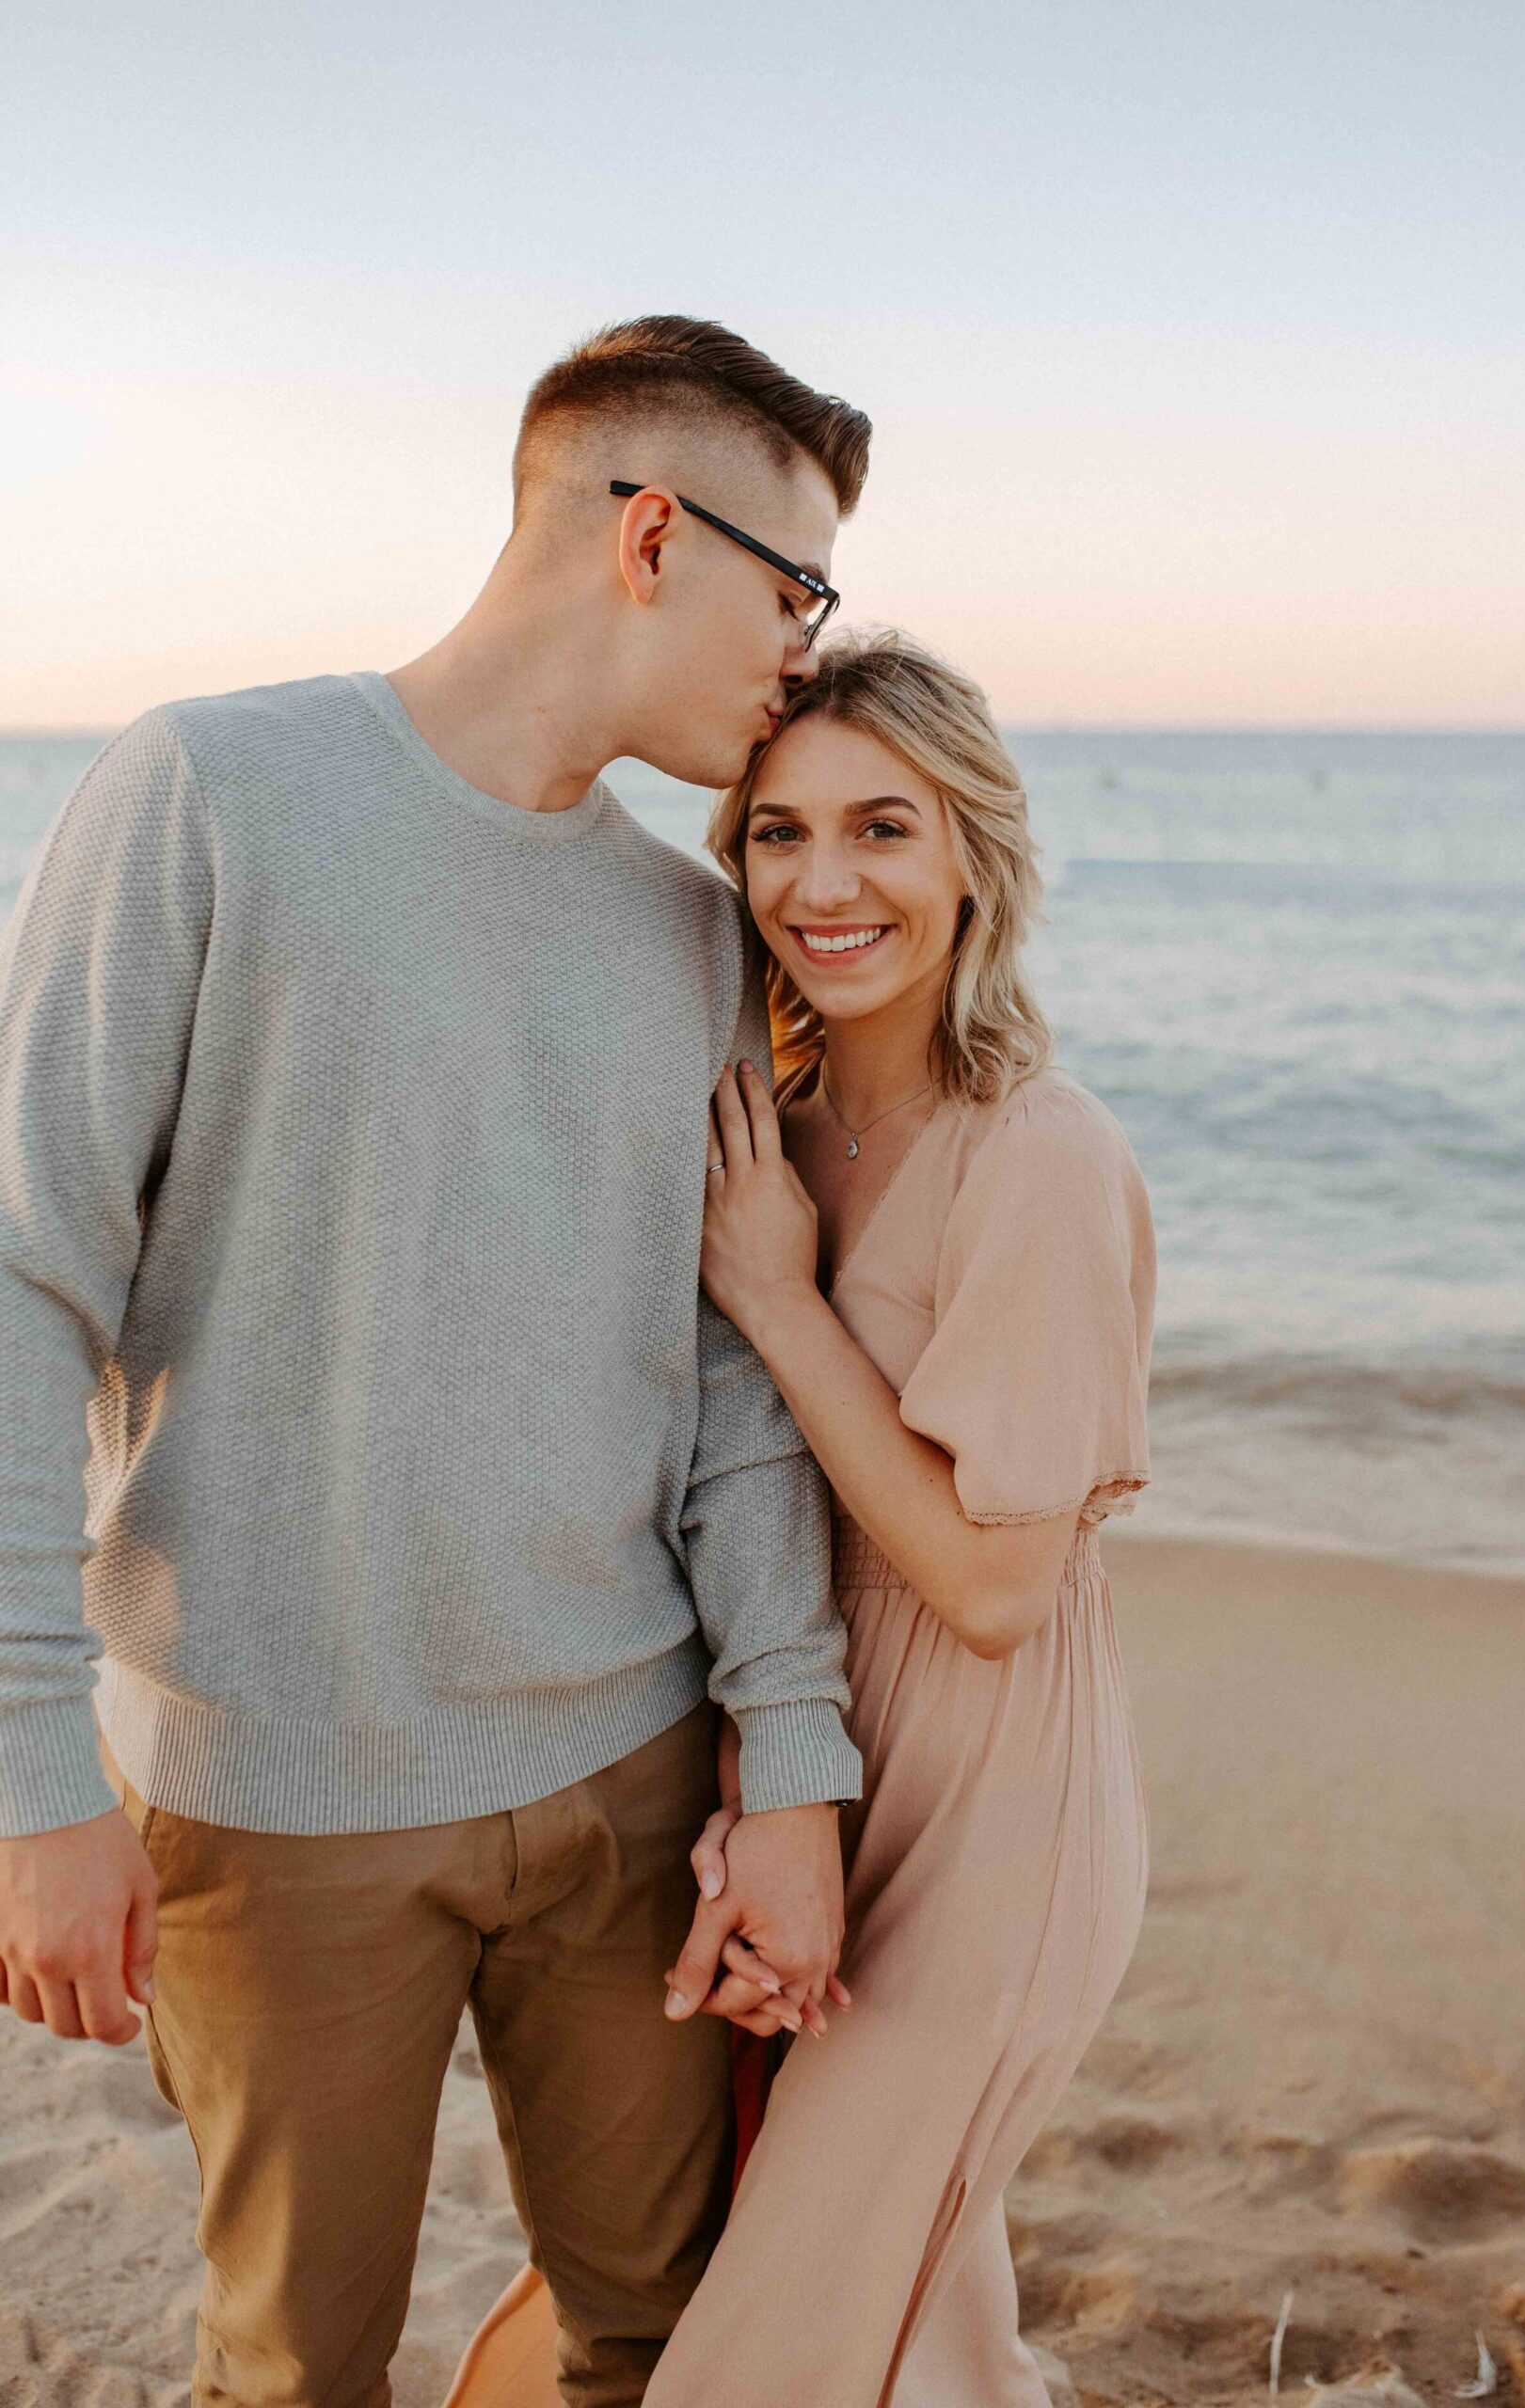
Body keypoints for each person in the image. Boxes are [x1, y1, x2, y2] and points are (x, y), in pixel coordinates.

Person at [0, 315, 875, 2408]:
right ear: (652, 532)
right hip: (280, 1798)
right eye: (800, 590)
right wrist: (36, 1769)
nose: (812, 652)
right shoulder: (210, 789)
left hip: (628, 1781)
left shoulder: (688, 932)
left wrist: (792, 1754)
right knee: (299, 2367)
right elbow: (24, 1270)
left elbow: (729, 1377)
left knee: (666, 2340)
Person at [453, 629, 1155, 2407]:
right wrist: (760, 1786)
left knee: (787, 2311)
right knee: (873, 2298)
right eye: (775, 834)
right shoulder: (758, 1118)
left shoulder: (1037, 1157)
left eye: (883, 830)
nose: (822, 884)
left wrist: (781, 1301)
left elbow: (998, 1586)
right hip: (795, 1763)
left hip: (992, 1813)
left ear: (972, 856)